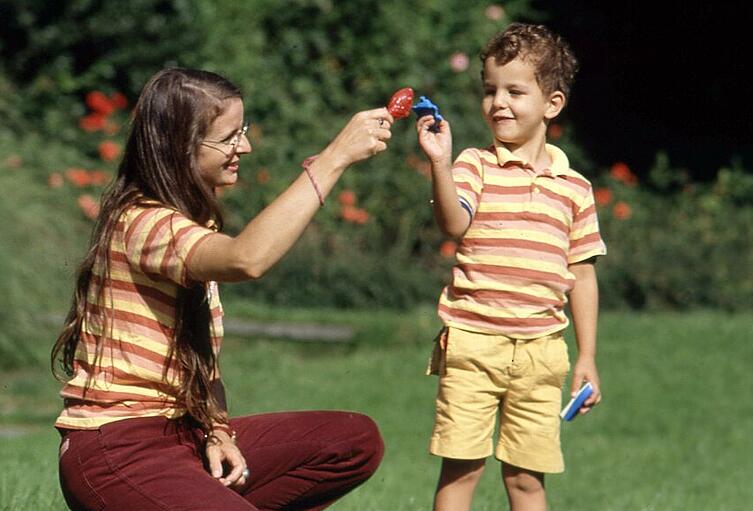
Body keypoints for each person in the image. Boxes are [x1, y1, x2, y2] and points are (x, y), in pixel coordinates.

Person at [51, 67, 395, 511]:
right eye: (229, 137)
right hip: (117, 451)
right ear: (180, 146)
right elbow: (246, 260)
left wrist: (218, 429)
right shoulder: (142, 223)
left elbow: (199, 356)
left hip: (182, 435)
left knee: (352, 439)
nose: (245, 147)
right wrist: (333, 159)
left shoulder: (193, 224)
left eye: (243, 131)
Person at [415, 23, 607, 511]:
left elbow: (581, 275)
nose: (498, 102)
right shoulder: (474, 165)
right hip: (473, 345)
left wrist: (586, 356)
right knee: (462, 471)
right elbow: (453, 222)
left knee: (526, 481)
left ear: (552, 104)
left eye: (515, 91)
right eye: (490, 90)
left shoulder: (575, 188)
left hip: (542, 355)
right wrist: (439, 163)